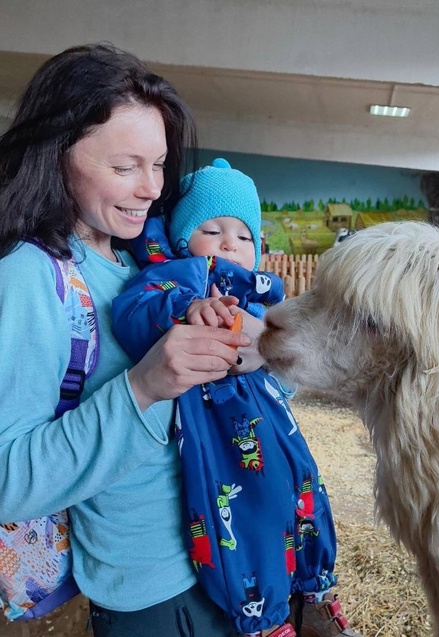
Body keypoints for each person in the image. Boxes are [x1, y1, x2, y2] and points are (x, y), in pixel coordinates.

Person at [0, 44, 259, 637]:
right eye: (125, 168)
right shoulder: (32, 276)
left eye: (160, 165)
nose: (150, 189)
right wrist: (143, 386)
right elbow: (8, 481)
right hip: (151, 589)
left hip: (226, 560)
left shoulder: (147, 260)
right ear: (56, 157)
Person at [111, 159, 363, 637]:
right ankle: (264, 619)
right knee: (242, 518)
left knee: (304, 492)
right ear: (185, 239)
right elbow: (134, 310)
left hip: (275, 426)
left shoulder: (263, 298)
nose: (230, 243)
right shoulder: (180, 276)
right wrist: (188, 307)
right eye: (212, 229)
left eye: (244, 236)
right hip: (219, 431)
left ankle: (315, 592)